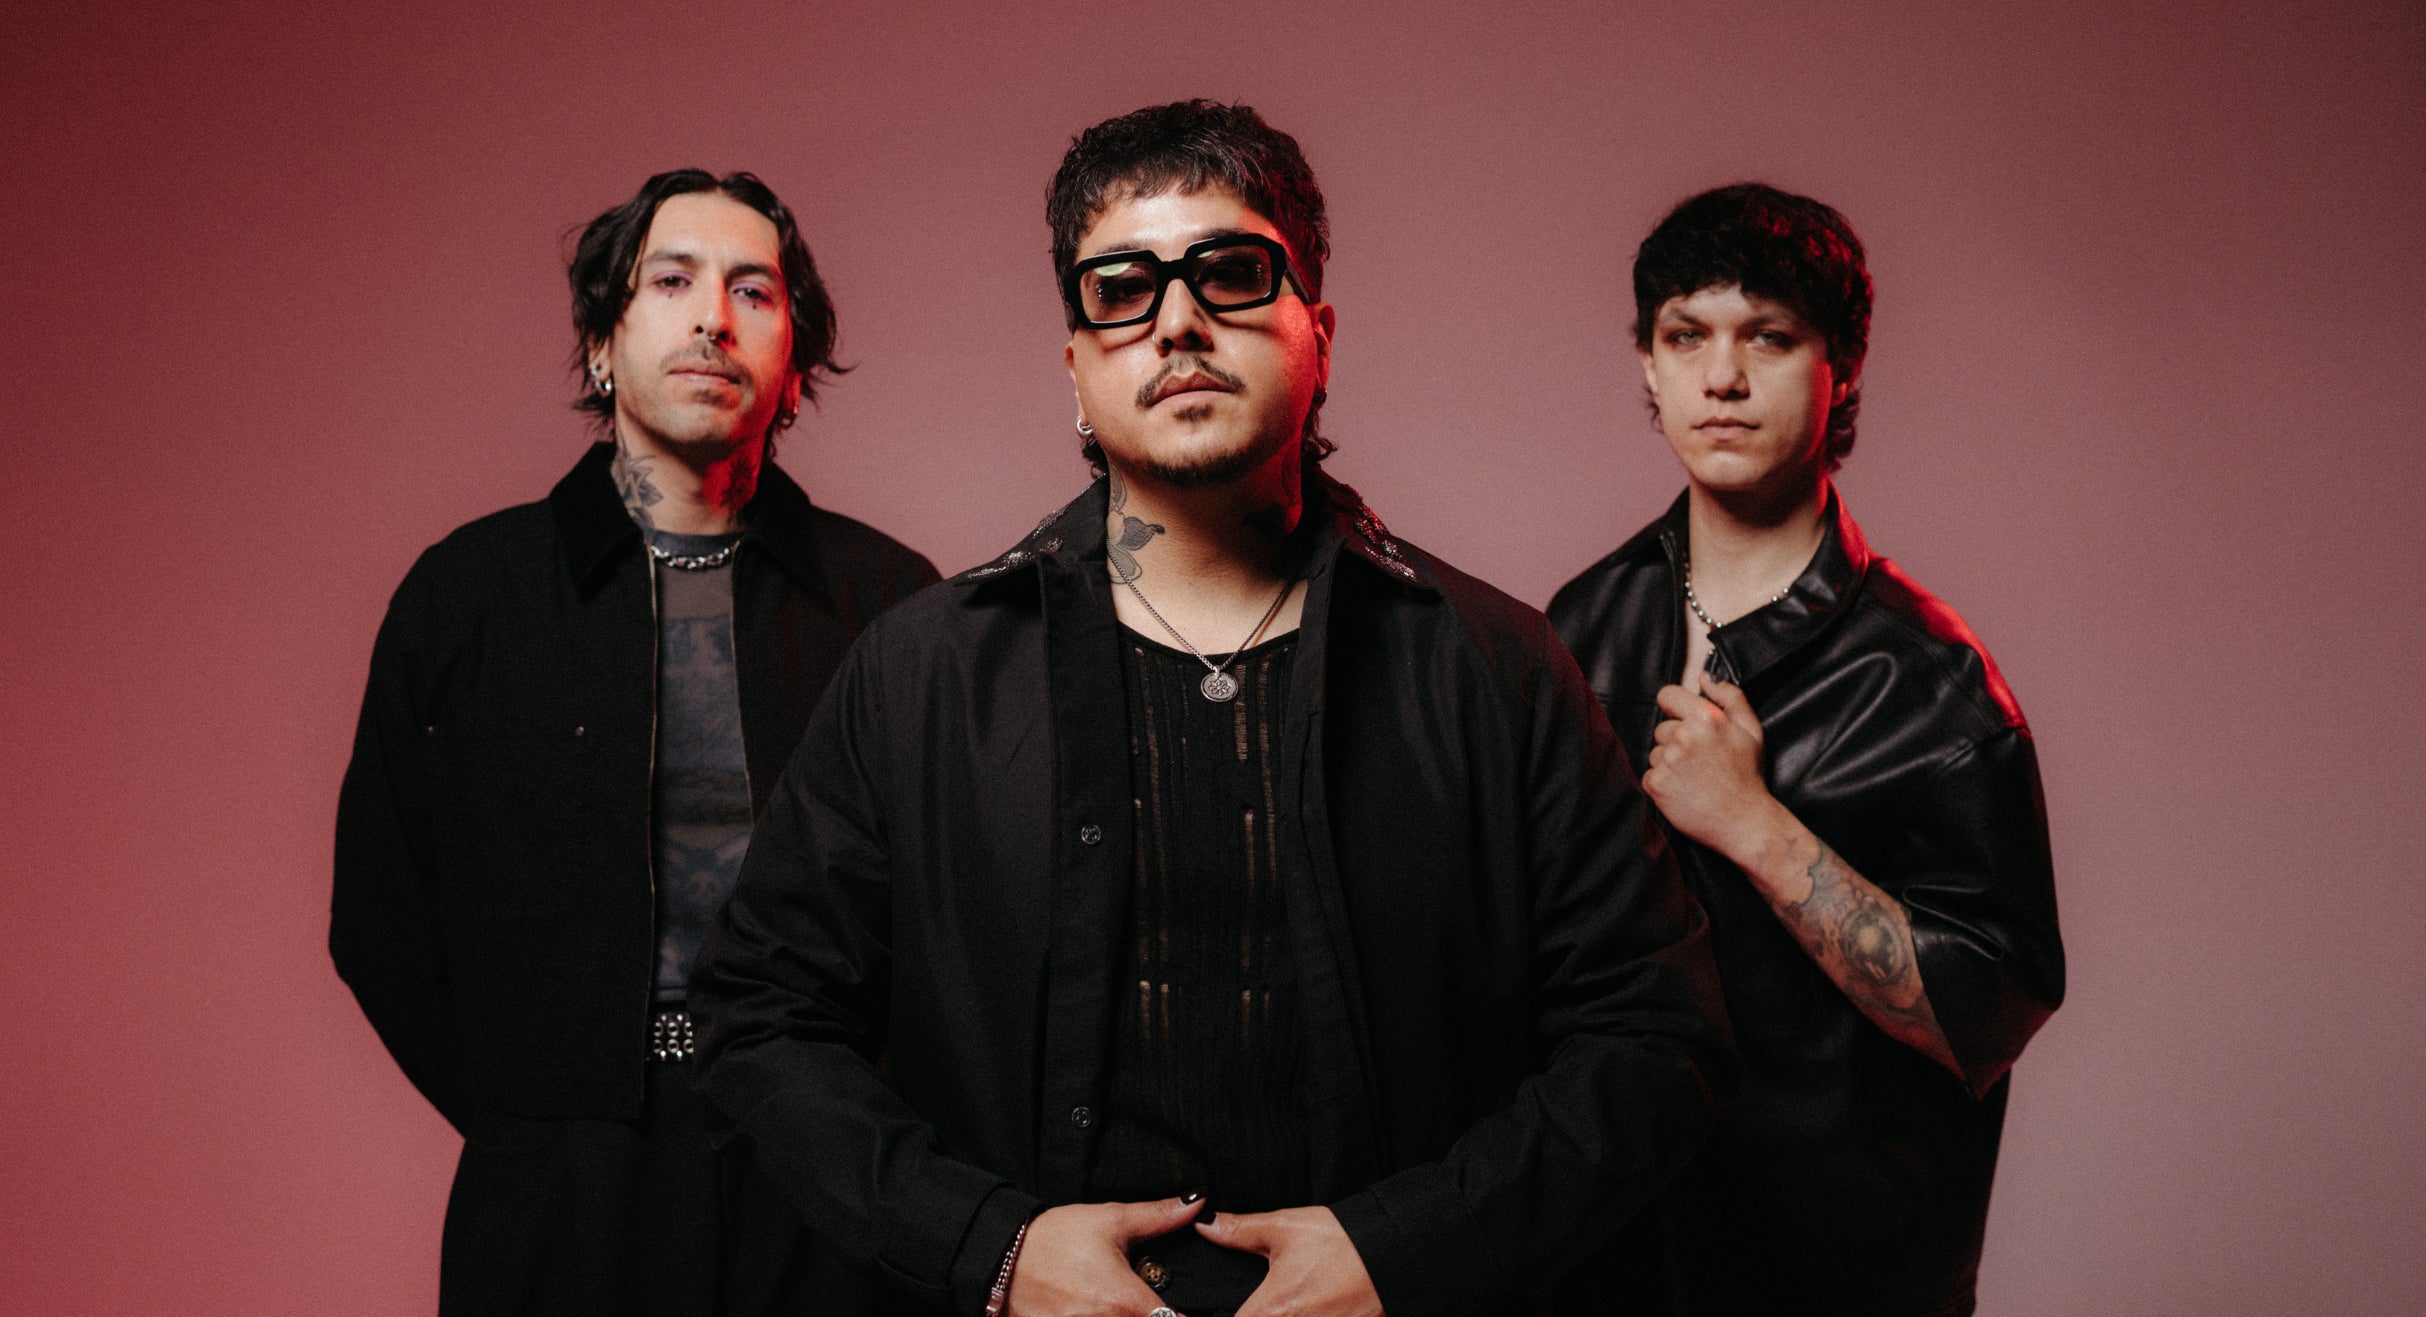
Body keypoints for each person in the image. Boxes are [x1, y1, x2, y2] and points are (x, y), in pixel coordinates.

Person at [690, 101, 1735, 1317]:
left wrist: (1401, 1254)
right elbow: (758, 1018)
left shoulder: (1493, 667)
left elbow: (1657, 1036)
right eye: (1120, 290)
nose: (1176, 321)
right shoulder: (921, 676)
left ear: (1317, 336)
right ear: (1076, 370)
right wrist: (993, 1252)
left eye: (1232, 274)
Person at [331, 168, 940, 1315]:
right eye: (671, 282)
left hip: (827, 1185)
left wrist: (863, 1133)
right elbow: (379, 916)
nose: (713, 318)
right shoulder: (467, 600)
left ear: (795, 362)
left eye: (752, 291)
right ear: (601, 343)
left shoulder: (892, 605)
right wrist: (530, 1114)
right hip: (557, 1187)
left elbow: (952, 926)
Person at [1547, 182, 2065, 1316]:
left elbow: (1982, 1016)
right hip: (1609, 1265)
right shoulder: (1577, 629)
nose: (1721, 377)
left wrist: (1753, 825)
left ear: (1843, 367)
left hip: (1842, 1279)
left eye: (1768, 338)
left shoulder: (1932, 683)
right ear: (1647, 364)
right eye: (1686, 336)